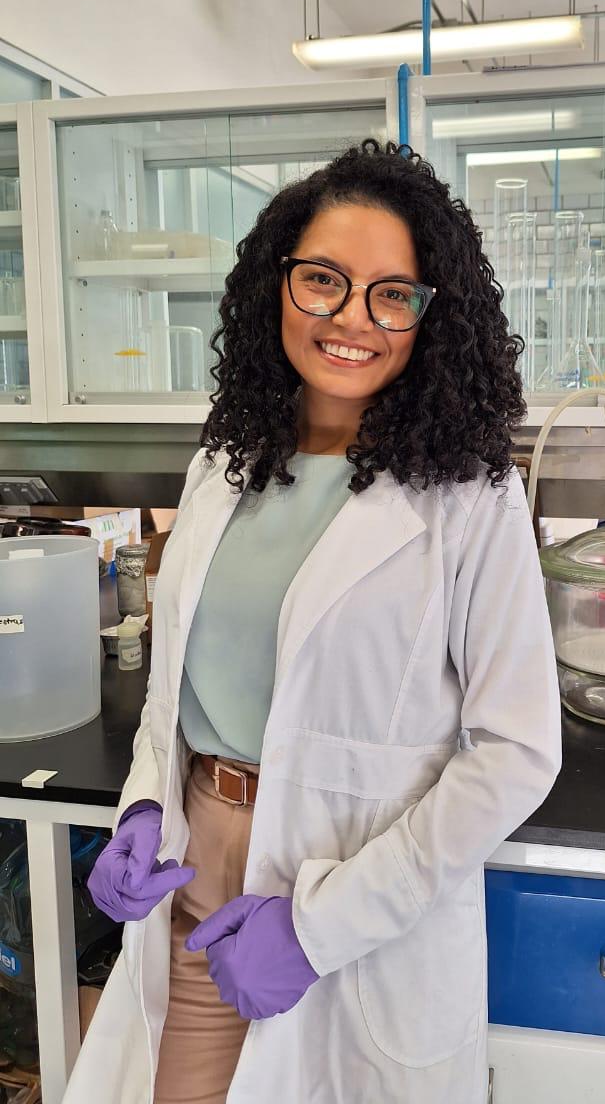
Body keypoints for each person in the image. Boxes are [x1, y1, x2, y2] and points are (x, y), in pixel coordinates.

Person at [66, 140, 562, 1104]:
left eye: (392, 294)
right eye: (324, 280)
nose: (352, 319)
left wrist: (313, 930)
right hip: (198, 873)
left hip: (362, 906)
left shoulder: (472, 496)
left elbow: (515, 752)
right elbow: (179, 692)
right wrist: (144, 807)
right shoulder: (224, 464)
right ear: (277, 283)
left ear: (429, 317)